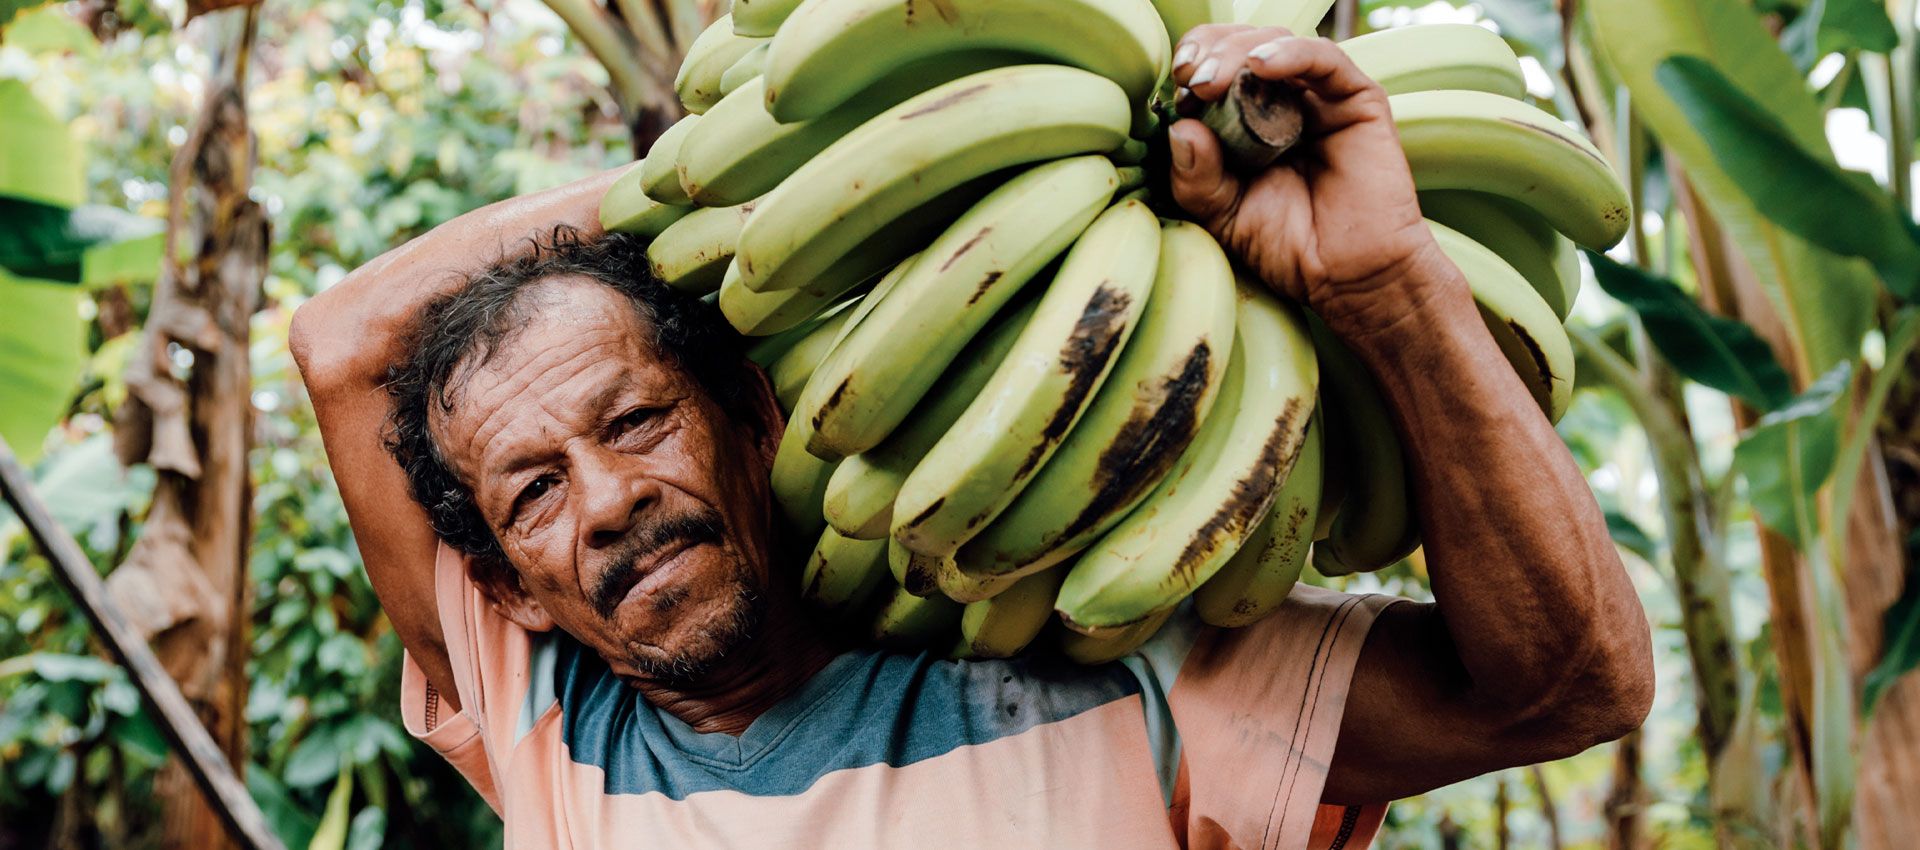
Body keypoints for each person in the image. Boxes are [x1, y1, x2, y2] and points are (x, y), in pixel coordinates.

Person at [292, 27, 1652, 850]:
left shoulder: (1117, 668)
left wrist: (1387, 288)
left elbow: (1568, 687)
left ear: (761, 416)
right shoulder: (543, 721)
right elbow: (340, 342)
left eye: (638, 420)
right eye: (532, 493)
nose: (603, 502)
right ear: (509, 589)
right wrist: (810, 169)